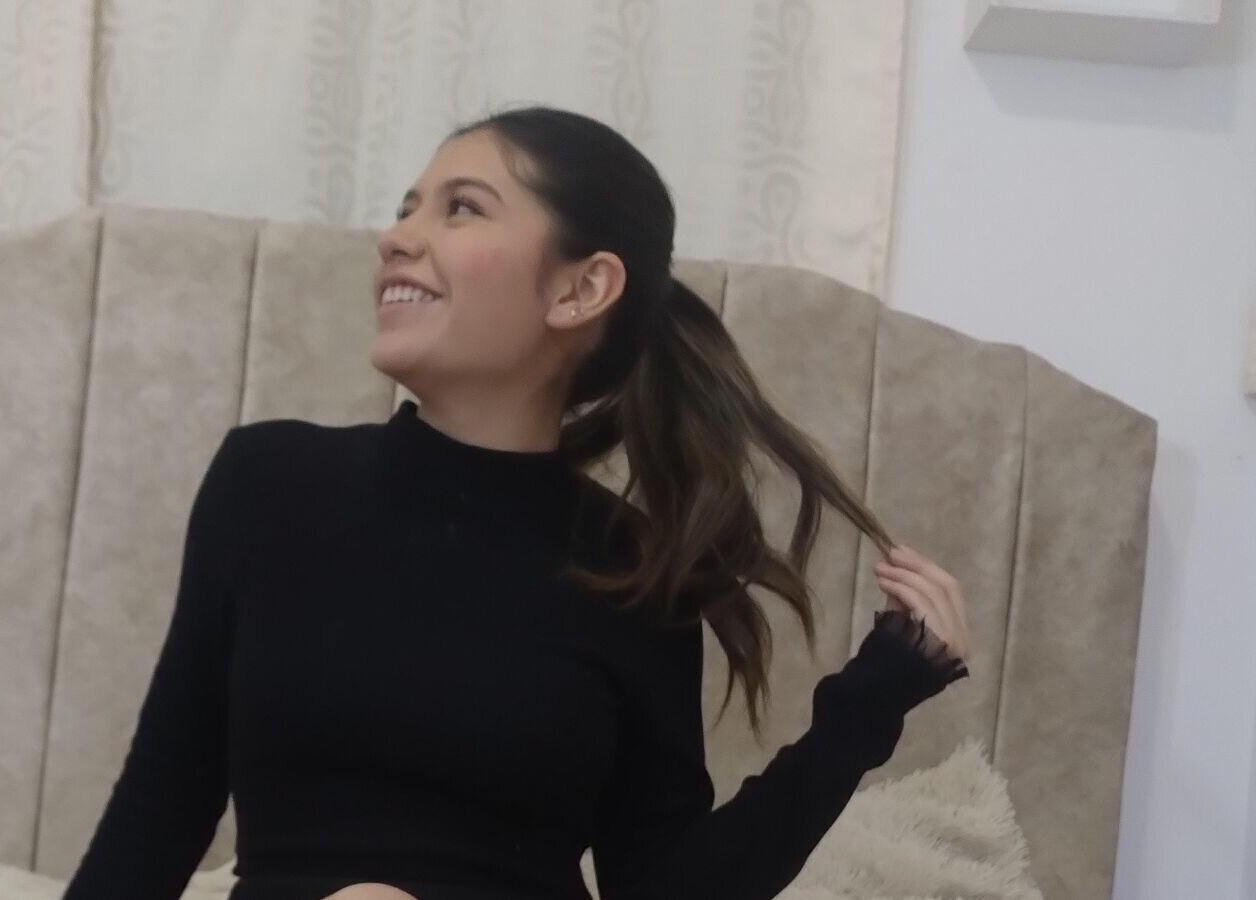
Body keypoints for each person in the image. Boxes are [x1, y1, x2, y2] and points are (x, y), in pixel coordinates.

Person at [62, 105, 972, 900]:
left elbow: (665, 888)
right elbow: (159, 808)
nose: (398, 237)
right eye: (406, 207)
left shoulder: (632, 566)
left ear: (580, 289)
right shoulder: (267, 483)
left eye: (460, 207)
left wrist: (868, 705)